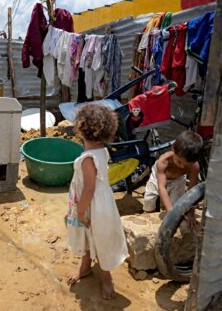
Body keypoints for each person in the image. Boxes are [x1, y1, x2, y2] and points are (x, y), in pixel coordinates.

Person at [66, 104, 129, 300]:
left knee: (98, 238)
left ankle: (106, 277)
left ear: (81, 129)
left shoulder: (87, 159)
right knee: (87, 236)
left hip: (91, 205)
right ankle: (85, 267)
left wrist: (81, 210)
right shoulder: (102, 151)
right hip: (100, 203)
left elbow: (89, 188)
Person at [143, 130, 203, 218]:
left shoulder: (194, 167)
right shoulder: (163, 162)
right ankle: (148, 214)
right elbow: (161, 187)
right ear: (173, 149)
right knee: (149, 200)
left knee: (176, 204)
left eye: (187, 165)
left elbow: (191, 192)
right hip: (158, 178)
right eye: (179, 161)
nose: (182, 166)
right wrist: (171, 213)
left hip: (178, 179)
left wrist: (191, 213)